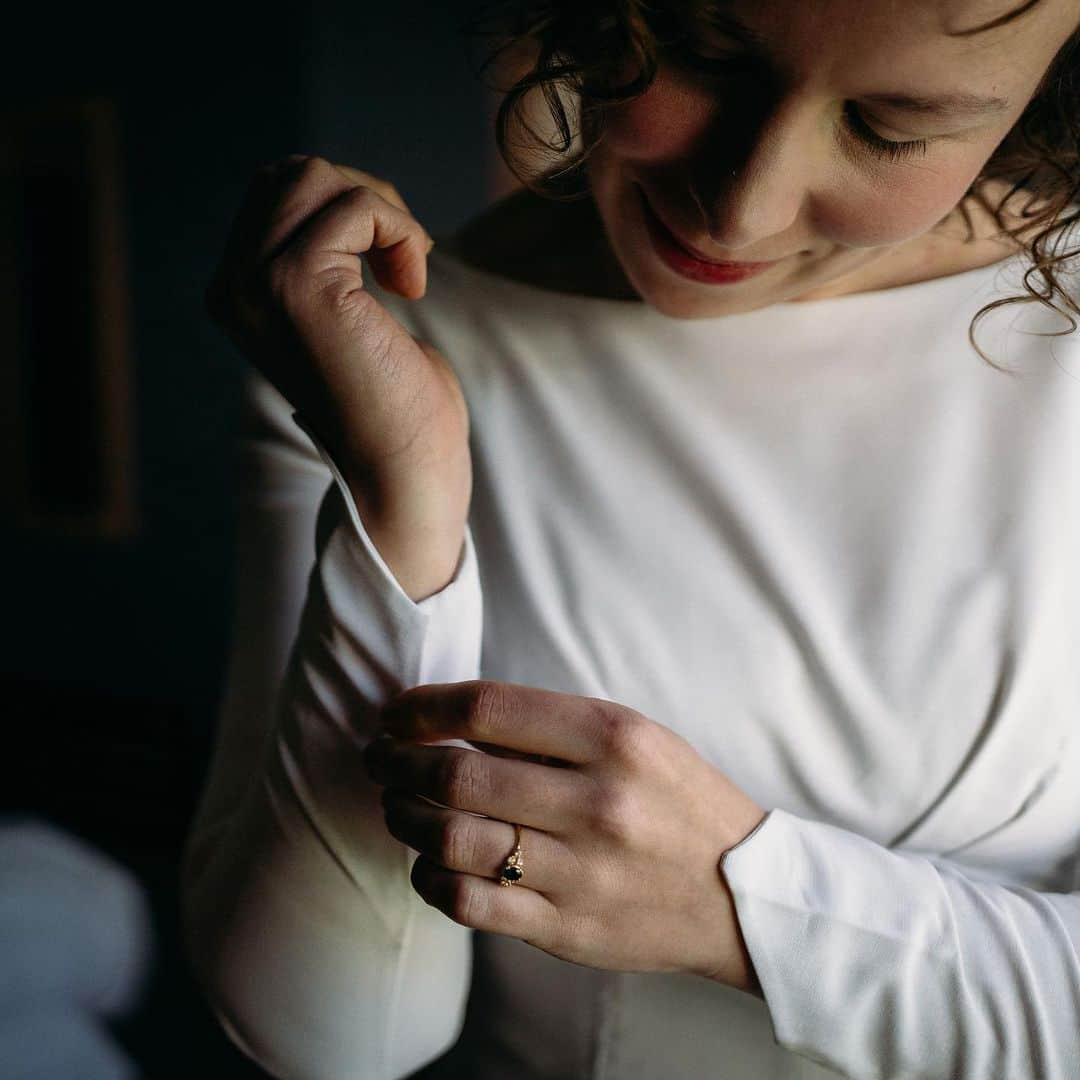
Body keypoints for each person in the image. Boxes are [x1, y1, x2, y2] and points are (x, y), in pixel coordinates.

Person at [182, 0, 1080, 1076]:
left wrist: (738, 902)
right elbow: (332, 1044)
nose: (741, 210)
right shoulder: (374, 351)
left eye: (892, 127)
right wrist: (401, 512)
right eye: (703, 58)